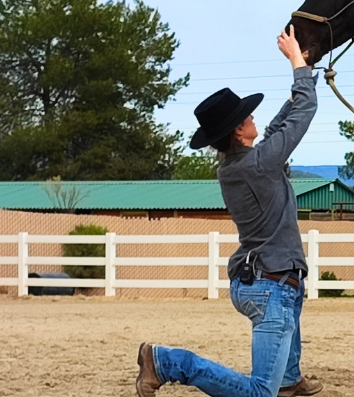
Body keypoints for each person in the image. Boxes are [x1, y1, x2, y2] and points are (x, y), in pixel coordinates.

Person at [135, 25, 323, 397]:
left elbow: (277, 130)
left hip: (262, 280)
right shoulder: (257, 166)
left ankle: (289, 380)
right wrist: (295, 61)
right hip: (272, 286)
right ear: (239, 132)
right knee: (257, 393)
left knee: (289, 308)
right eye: (247, 117)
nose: (254, 119)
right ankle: (164, 361)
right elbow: (304, 112)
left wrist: (305, 69)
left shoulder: (239, 166)